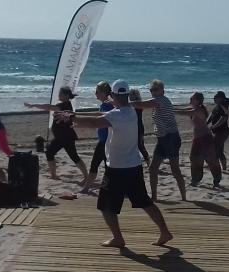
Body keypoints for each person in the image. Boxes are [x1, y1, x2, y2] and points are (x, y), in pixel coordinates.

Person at [58, 80, 173, 250]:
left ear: (113, 95)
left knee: (106, 206)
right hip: (134, 165)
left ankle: (118, 238)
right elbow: (106, 114)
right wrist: (74, 116)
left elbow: (95, 122)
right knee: (145, 202)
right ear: (127, 95)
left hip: (117, 169)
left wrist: (71, 117)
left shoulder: (115, 116)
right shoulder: (132, 111)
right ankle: (165, 232)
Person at [131, 80, 186, 202]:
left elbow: (141, 105)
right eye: (151, 90)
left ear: (162, 90)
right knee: (153, 169)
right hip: (163, 139)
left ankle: (184, 198)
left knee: (175, 169)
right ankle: (154, 197)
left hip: (170, 137)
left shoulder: (160, 100)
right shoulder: (157, 102)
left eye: (155, 89)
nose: (153, 92)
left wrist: (125, 103)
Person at [25, 87, 89, 181]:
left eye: (60, 94)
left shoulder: (63, 106)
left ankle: (86, 176)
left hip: (65, 137)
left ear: (66, 95)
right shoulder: (65, 105)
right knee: (50, 153)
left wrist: (34, 105)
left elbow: (48, 107)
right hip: (61, 137)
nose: (59, 95)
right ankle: (54, 175)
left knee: (73, 156)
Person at [179, 92, 222, 187]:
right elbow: (181, 110)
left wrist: (169, 110)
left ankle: (217, 179)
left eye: (192, 97)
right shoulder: (193, 108)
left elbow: (184, 113)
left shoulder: (199, 110)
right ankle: (196, 179)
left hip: (205, 137)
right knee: (194, 158)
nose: (190, 98)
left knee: (210, 160)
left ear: (197, 101)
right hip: (198, 138)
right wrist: (168, 108)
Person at [83, 82, 114, 188]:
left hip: (105, 141)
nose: (95, 94)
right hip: (106, 141)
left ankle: (87, 188)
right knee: (107, 166)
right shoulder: (107, 104)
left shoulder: (107, 105)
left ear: (104, 93)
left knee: (96, 164)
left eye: (97, 92)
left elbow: (99, 120)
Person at [208, 92, 229, 172]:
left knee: (215, 150)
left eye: (215, 97)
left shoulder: (223, 107)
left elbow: (224, 118)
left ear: (221, 98)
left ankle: (216, 168)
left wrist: (214, 126)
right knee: (220, 151)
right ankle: (224, 168)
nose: (214, 99)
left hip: (222, 132)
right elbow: (212, 115)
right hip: (217, 132)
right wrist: (206, 123)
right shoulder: (217, 106)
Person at [130, 87, 150, 163]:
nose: (130, 97)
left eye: (131, 95)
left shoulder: (137, 105)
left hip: (138, 128)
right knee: (137, 145)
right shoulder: (136, 105)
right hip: (136, 128)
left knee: (140, 146)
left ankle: (148, 160)